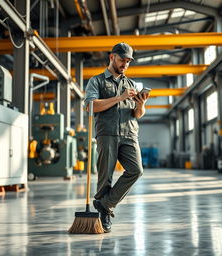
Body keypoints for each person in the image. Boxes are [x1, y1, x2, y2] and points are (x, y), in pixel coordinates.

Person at [84, 42, 149, 233]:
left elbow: (137, 114)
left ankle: (104, 205)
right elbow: (90, 106)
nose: (125, 64)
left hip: (130, 133)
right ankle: (104, 215)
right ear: (112, 57)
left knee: (136, 170)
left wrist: (141, 104)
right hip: (107, 133)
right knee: (105, 178)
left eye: (128, 61)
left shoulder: (131, 84)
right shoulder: (96, 81)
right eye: (122, 60)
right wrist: (119, 98)